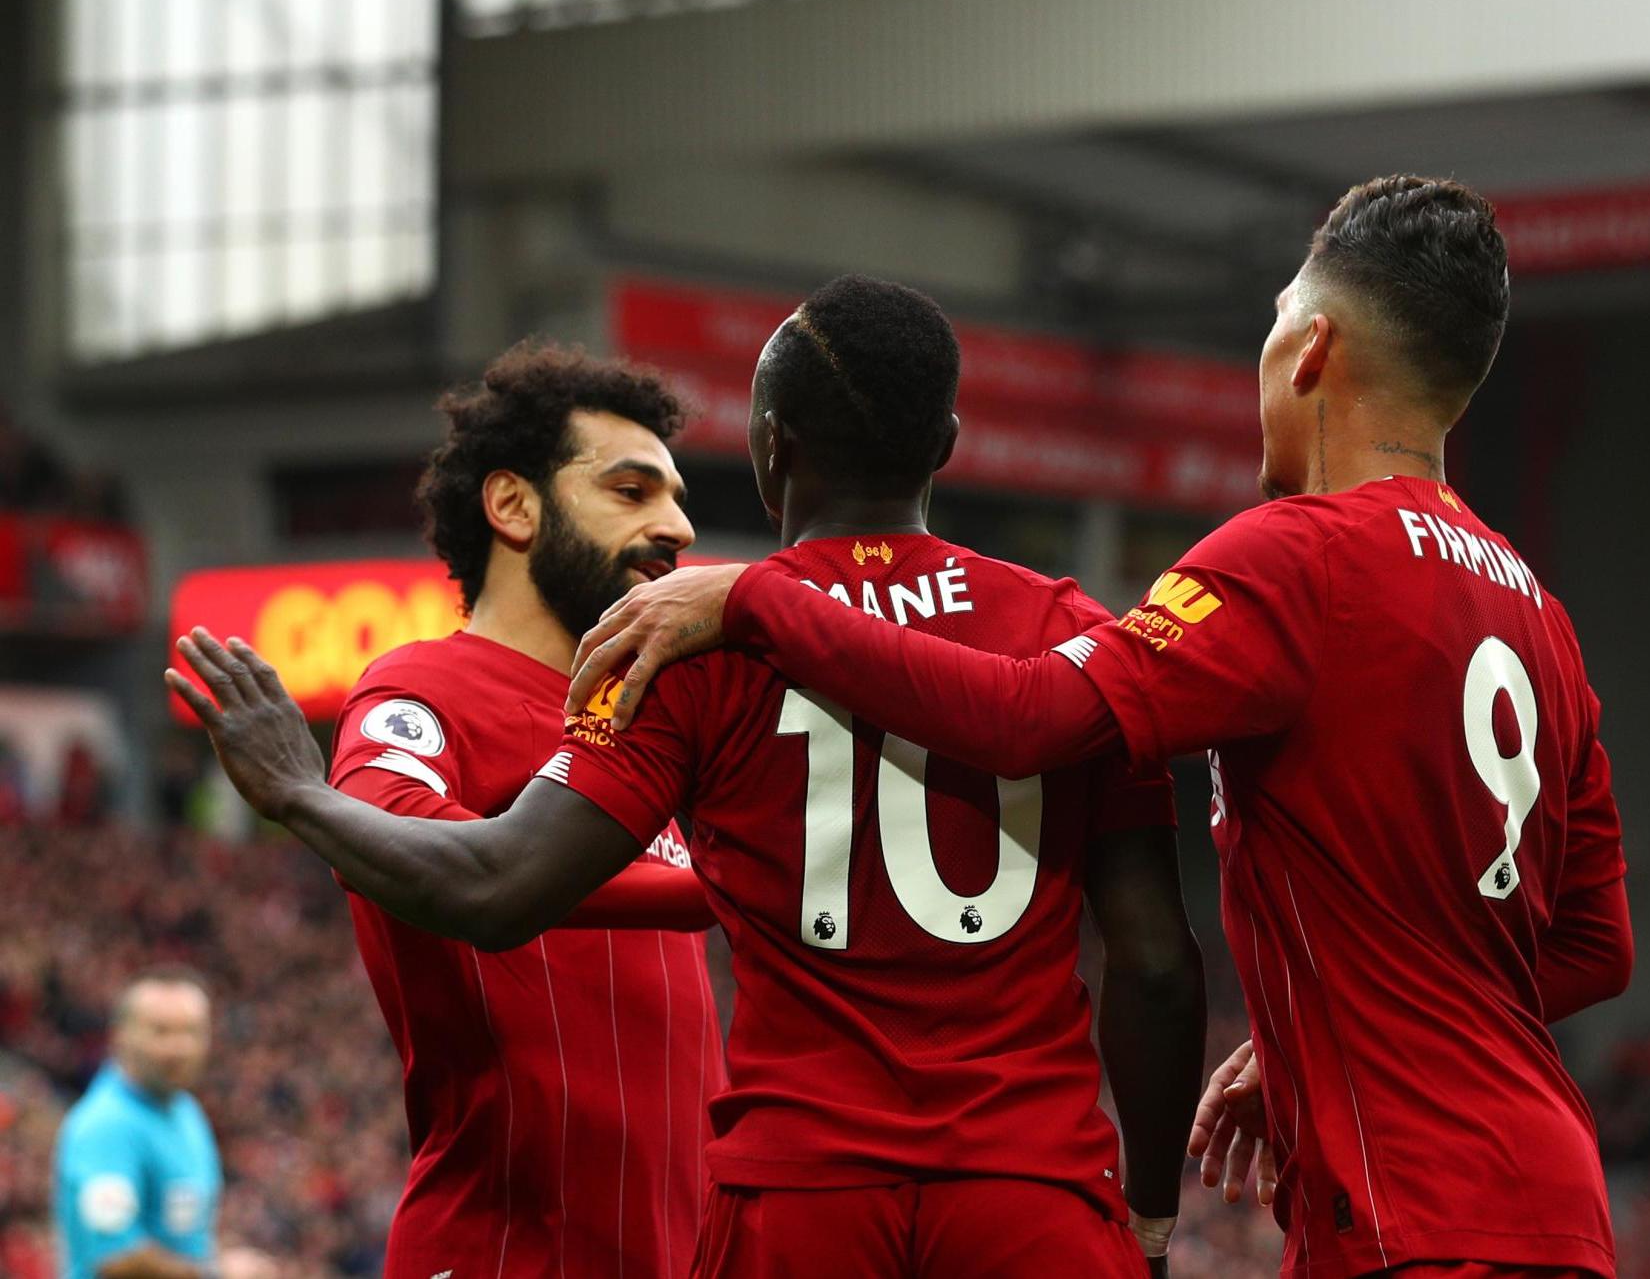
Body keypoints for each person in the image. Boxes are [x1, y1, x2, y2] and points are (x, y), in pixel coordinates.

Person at [561, 178, 1637, 1279]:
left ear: (1309, 349)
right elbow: (1596, 948)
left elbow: (1027, 716)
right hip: (1554, 1200)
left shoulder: (1291, 557)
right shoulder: (1536, 611)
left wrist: (753, 601)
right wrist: (1308, 1040)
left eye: (1269, 329)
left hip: (1413, 1213)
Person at [169, 277, 1208, 1278]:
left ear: (768, 448)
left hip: (798, 1200)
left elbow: (498, 880)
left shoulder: (694, 642)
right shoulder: (1070, 634)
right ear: (944, 447)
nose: (671, 524)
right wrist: (1151, 1221)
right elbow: (1155, 967)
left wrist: (296, 795)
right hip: (1027, 1193)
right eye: (632, 489)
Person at [253, 344, 725, 1278]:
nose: (675, 527)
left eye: (675, 498)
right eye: (632, 492)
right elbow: (395, 843)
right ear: (513, 506)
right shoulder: (422, 689)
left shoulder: (652, 721)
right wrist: (714, 886)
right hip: (505, 1256)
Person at [51, 968, 277, 1279]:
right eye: (161, 1031)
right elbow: (115, 1260)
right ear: (120, 1035)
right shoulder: (107, 1126)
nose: (178, 1047)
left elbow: (185, 1235)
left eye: (191, 1032)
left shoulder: (186, 1111)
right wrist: (218, 1273)